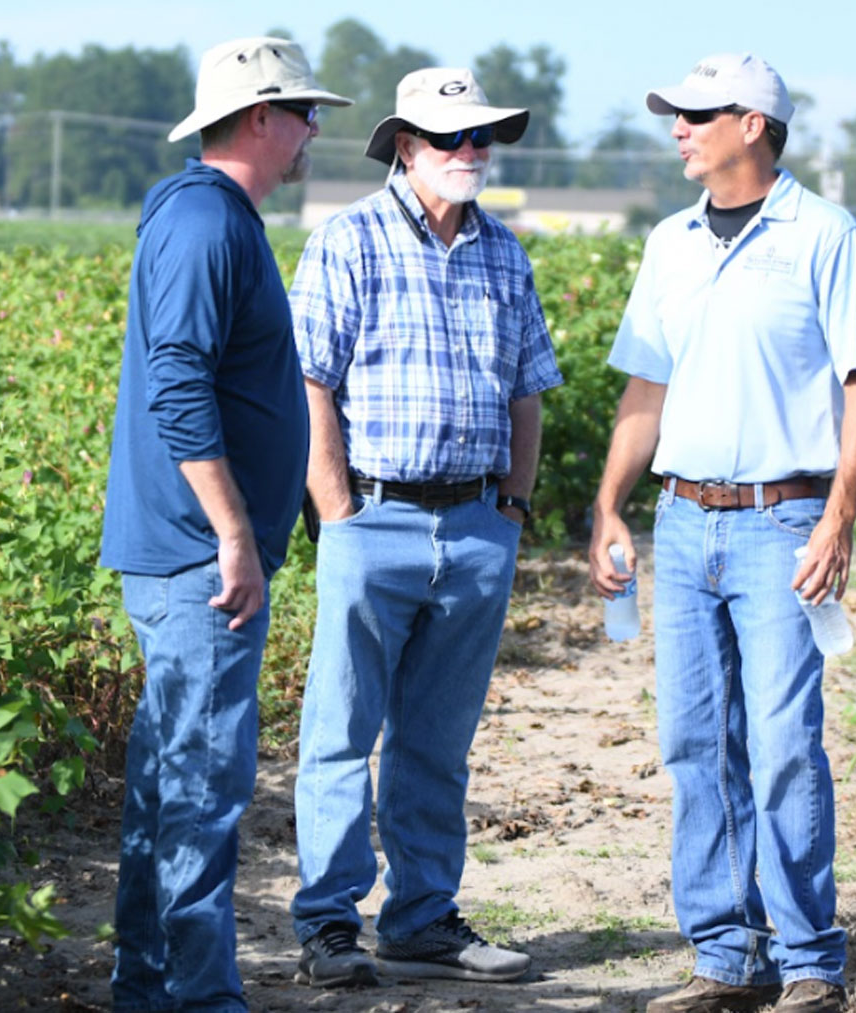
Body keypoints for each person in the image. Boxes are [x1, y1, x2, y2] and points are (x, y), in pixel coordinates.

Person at [587, 53, 856, 1013]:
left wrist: (838, 517)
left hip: (783, 520)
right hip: (681, 524)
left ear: (753, 124)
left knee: (785, 739)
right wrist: (607, 505)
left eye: (697, 114)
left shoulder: (827, 236)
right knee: (694, 742)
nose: (679, 127)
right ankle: (724, 952)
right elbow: (647, 386)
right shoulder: (670, 241)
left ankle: (808, 958)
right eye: (675, 115)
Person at [285, 67, 562, 988]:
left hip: (477, 523)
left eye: (482, 138)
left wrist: (512, 510)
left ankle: (422, 916)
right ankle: (328, 922)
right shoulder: (348, 240)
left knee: (438, 740)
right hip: (376, 515)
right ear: (406, 146)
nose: (471, 153)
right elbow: (309, 382)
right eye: (452, 138)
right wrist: (334, 506)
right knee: (340, 730)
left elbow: (528, 390)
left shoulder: (504, 253)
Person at [98, 36, 350, 1013]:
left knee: (170, 787)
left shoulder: (212, 218)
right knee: (200, 789)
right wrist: (236, 535)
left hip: (189, 553)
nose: (313, 130)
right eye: (300, 112)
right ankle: (198, 998)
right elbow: (179, 386)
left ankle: (150, 986)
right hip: (201, 559)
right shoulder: (206, 225)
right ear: (256, 118)